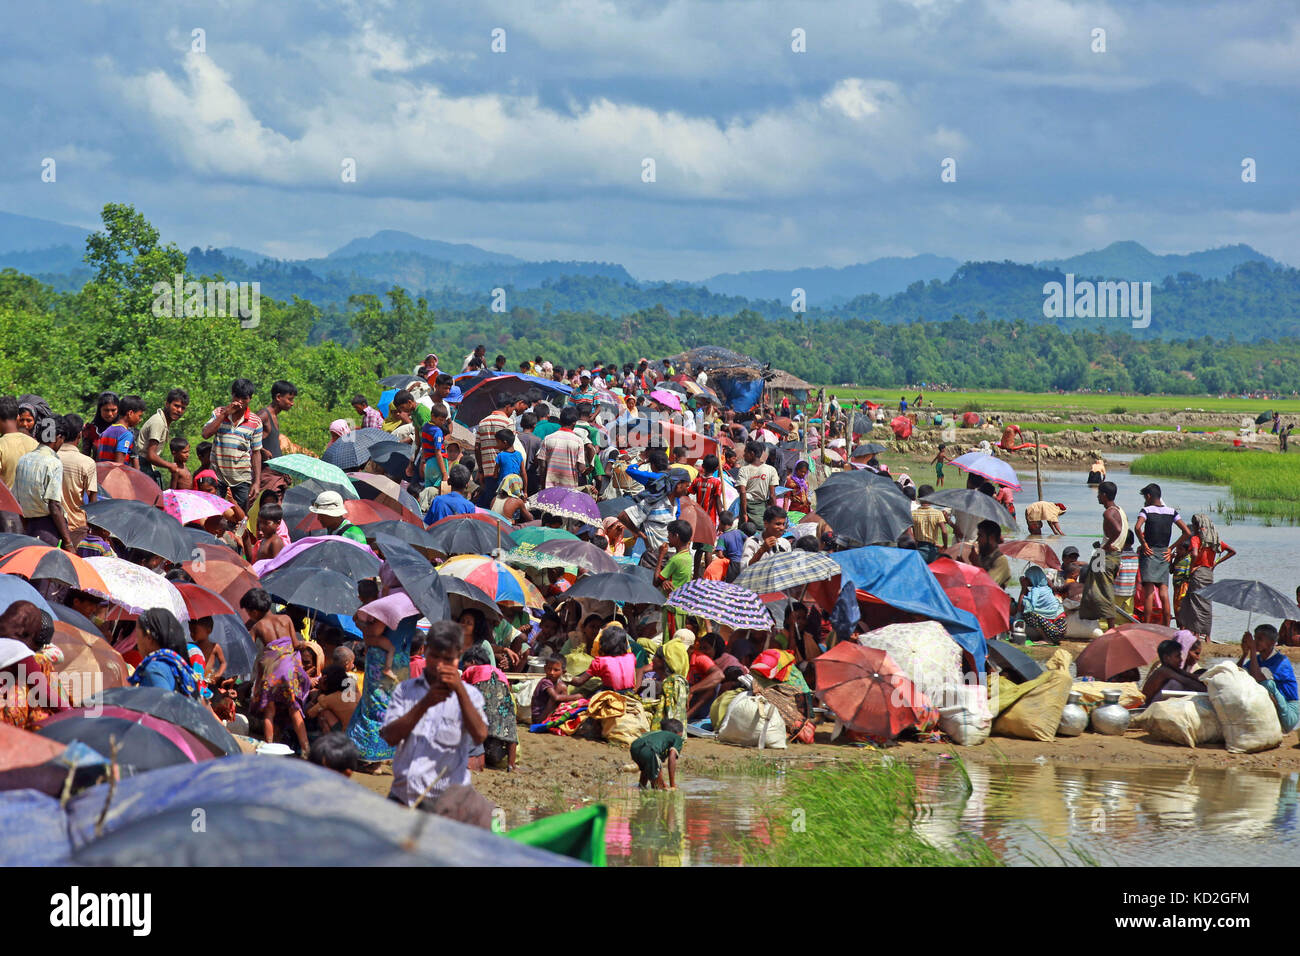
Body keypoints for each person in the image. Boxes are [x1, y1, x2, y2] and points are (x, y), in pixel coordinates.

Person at [381, 621, 488, 809]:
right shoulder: (405, 690)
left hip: (447, 803)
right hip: (403, 797)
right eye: (434, 656)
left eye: (447, 659)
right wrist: (424, 703)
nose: (439, 665)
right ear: (425, 650)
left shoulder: (471, 696)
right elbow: (390, 737)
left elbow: (480, 735)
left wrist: (459, 691)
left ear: (459, 656)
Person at [241, 589, 311, 755]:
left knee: (269, 710)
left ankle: (269, 747)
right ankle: (306, 749)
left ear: (254, 611)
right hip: (289, 669)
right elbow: (295, 644)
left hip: (270, 670)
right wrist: (305, 645)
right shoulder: (286, 619)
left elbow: (248, 649)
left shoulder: (258, 626)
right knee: (294, 708)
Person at [1133, 483, 1191, 627]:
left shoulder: (1146, 510)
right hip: (1164, 553)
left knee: (1149, 591)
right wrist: (1171, 548)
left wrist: (1144, 544)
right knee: (1164, 591)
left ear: (1148, 496)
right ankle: (1166, 625)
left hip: (1150, 552)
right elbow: (1187, 532)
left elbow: (1137, 527)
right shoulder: (1172, 512)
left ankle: (1146, 624)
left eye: (1145, 498)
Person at [201, 379, 263, 510]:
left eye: (244, 398)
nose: (239, 402)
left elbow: (256, 452)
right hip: (218, 476)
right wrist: (224, 414)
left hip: (241, 478)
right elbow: (206, 434)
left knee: (239, 516)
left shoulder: (255, 422)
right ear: (232, 395)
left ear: (250, 399)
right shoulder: (219, 413)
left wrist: (256, 482)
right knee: (213, 512)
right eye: (237, 397)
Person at [14, 416, 72, 549]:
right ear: (58, 437)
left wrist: (26, 527)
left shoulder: (23, 460)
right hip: (48, 530)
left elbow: (16, 501)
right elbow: (54, 506)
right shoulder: (54, 463)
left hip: (28, 529)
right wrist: (68, 542)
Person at [618, 468, 692, 570]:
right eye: (686, 486)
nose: (687, 490)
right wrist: (642, 536)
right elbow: (623, 516)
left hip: (669, 556)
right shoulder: (653, 503)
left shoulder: (675, 504)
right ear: (679, 484)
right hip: (653, 558)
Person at [1175, 513, 1234, 639]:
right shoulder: (1215, 540)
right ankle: (1207, 636)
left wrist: (1191, 568)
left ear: (1198, 525)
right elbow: (1232, 551)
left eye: (1195, 525)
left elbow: (1195, 554)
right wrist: (1215, 563)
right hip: (1209, 574)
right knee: (1206, 605)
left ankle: (1195, 634)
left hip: (1198, 574)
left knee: (1194, 604)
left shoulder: (1196, 539)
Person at [1079, 481, 1127, 630]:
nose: (1097, 497)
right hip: (1104, 554)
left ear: (1104, 495)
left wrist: (1106, 545)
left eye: (1099, 493)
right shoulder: (1119, 510)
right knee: (1090, 586)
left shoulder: (1108, 512)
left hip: (1107, 555)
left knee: (1104, 590)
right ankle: (1089, 621)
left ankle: (1111, 627)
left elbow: (1118, 529)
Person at [1239, 624, 1300, 734]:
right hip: (1276, 706)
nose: (1256, 642)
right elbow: (1238, 675)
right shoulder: (1257, 659)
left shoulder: (1281, 661)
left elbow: (1258, 677)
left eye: (1260, 639)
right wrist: (1244, 654)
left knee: (1267, 685)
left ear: (1272, 643)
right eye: (1255, 638)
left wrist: (1252, 650)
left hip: (1289, 711)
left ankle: (1278, 725)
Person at [129, 608, 200, 697]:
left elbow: (163, 705)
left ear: (149, 638)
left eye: (138, 637)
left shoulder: (154, 669)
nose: (137, 644)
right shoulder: (179, 666)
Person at [54, 414, 97, 548]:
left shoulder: (51, 457)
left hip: (52, 525)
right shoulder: (87, 463)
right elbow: (92, 500)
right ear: (80, 435)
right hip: (77, 527)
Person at [138, 388, 188, 488]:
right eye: (176, 406)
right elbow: (151, 455)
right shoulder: (159, 422)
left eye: (183, 408)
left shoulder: (164, 422)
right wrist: (170, 465)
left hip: (146, 465)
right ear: (167, 404)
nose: (179, 410)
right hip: (142, 465)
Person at [473, 396, 515, 505]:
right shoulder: (508, 422)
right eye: (512, 409)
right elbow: (511, 447)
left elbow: (477, 447)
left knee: (489, 499)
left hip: (487, 470)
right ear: (507, 407)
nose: (512, 412)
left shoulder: (482, 422)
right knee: (501, 503)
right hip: (504, 470)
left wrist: (481, 470)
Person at [1140, 637, 1208, 702]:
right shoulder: (1163, 671)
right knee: (1176, 684)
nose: (1181, 660)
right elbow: (1188, 682)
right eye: (1177, 656)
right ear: (1166, 658)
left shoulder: (1174, 670)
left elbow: (1187, 675)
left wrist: (1206, 678)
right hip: (1148, 706)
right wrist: (1209, 689)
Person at [539, 405, 591, 490]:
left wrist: (542, 485)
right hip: (569, 489)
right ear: (574, 423)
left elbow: (542, 466)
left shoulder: (548, 438)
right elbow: (581, 468)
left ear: (560, 421)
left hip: (549, 488)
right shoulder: (578, 441)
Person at [1017, 566, 1067, 644]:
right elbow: (1027, 600)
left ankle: (1047, 639)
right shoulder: (1046, 588)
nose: (1026, 580)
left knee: (1028, 615)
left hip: (1055, 633)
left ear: (1033, 578)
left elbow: (1020, 609)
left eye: (1028, 578)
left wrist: (1023, 588)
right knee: (1031, 614)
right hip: (1059, 631)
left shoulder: (1037, 591)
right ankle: (1047, 638)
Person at [631, 718, 683, 789]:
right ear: (678, 733)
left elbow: (651, 764)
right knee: (659, 788)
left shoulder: (657, 735)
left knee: (648, 777)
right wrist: (672, 785)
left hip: (634, 747)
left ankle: (641, 787)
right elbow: (672, 756)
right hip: (649, 750)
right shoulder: (677, 738)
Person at [737, 440, 779, 526]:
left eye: (745, 452)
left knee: (746, 533)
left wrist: (744, 514)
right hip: (762, 508)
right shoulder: (771, 470)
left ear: (752, 454)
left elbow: (742, 492)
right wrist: (775, 515)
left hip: (747, 507)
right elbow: (772, 495)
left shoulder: (744, 470)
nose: (744, 455)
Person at [95, 394, 145, 465]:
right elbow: (118, 465)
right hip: (115, 474)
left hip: (102, 473)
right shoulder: (126, 434)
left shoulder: (107, 431)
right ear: (130, 413)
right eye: (139, 416)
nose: (140, 419)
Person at [531, 655, 580, 725]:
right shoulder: (545, 681)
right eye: (549, 669)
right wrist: (576, 697)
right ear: (545, 668)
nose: (551, 672)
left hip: (544, 716)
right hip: (539, 719)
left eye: (556, 670)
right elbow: (556, 697)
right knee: (562, 687)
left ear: (563, 672)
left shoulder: (557, 681)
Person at [968, 519, 1012, 588]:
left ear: (991, 538)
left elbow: (989, 586)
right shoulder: (982, 556)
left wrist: (975, 563)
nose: (977, 540)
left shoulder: (1001, 560)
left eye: (980, 536)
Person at [656, 518, 695, 594]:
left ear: (676, 536)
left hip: (670, 601)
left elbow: (656, 581)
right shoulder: (688, 556)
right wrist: (664, 581)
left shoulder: (675, 559)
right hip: (680, 599)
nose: (667, 537)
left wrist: (660, 556)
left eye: (669, 534)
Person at [78, 392, 118, 459]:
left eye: (113, 410)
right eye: (106, 410)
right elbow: (85, 455)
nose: (110, 414)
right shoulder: (91, 430)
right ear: (100, 410)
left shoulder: (124, 430)